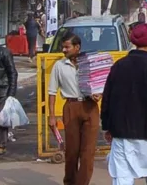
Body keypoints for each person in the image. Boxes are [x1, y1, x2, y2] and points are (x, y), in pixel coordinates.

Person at [101, 23, 147, 185]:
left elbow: (107, 99)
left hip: (122, 132)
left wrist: (107, 126)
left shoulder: (118, 66)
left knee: (122, 177)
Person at [48, 33, 100, 185]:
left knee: (88, 152)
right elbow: (52, 92)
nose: (64, 50)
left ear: (77, 47)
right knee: (72, 151)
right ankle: (69, 182)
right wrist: (52, 116)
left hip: (90, 107)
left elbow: (101, 84)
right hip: (71, 107)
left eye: (67, 47)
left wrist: (99, 94)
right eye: (62, 47)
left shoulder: (91, 64)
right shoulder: (59, 66)